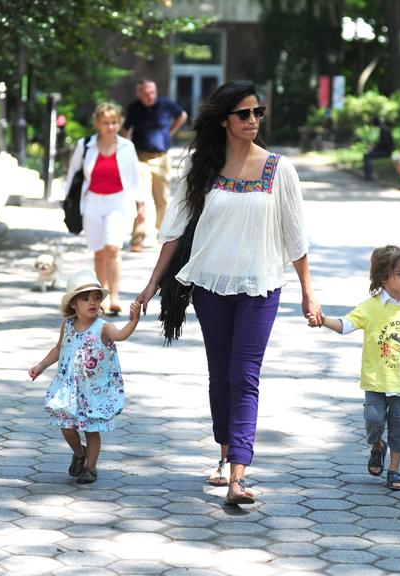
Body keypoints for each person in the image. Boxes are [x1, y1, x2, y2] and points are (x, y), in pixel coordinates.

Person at [137, 80, 322, 505]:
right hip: (210, 287)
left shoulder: (279, 169)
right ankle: (224, 456)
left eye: (258, 113)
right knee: (220, 376)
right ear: (223, 120)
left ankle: (239, 474)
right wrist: (150, 286)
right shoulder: (202, 170)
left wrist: (308, 292)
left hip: (260, 288)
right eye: (244, 114)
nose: (253, 120)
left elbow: (296, 238)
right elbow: (174, 231)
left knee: (244, 376)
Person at [308, 245, 400, 491]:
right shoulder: (371, 306)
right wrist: (322, 320)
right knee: (373, 422)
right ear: (384, 277)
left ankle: (394, 470)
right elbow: (346, 325)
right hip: (376, 379)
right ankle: (377, 446)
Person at [28, 269, 141, 484]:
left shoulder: (103, 327)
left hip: (93, 389)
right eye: (85, 298)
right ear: (73, 304)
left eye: (96, 298)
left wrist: (133, 321)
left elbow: (121, 335)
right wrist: (41, 365)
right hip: (69, 389)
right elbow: (59, 348)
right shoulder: (67, 326)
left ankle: (90, 468)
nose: (92, 302)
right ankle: (79, 454)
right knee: (67, 426)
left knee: (91, 429)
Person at [64, 102, 145, 315]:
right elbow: (73, 173)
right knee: (99, 252)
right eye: (106, 123)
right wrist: (66, 201)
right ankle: (101, 297)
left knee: (113, 248)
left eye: (114, 122)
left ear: (119, 123)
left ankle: (114, 296)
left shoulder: (127, 147)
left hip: (118, 201)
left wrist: (142, 204)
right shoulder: (86, 145)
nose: (110, 127)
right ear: (97, 124)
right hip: (92, 202)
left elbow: (136, 177)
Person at [122, 79, 188, 252]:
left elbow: (183, 115)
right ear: (139, 93)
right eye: (145, 93)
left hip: (162, 158)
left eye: (152, 92)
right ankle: (138, 237)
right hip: (141, 157)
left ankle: (164, 236)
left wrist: (170, 132)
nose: (150, 96)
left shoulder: (165, 104)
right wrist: (126, 149)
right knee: (142, 199)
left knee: (162, 199)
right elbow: (125, 129)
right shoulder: (134, 108)